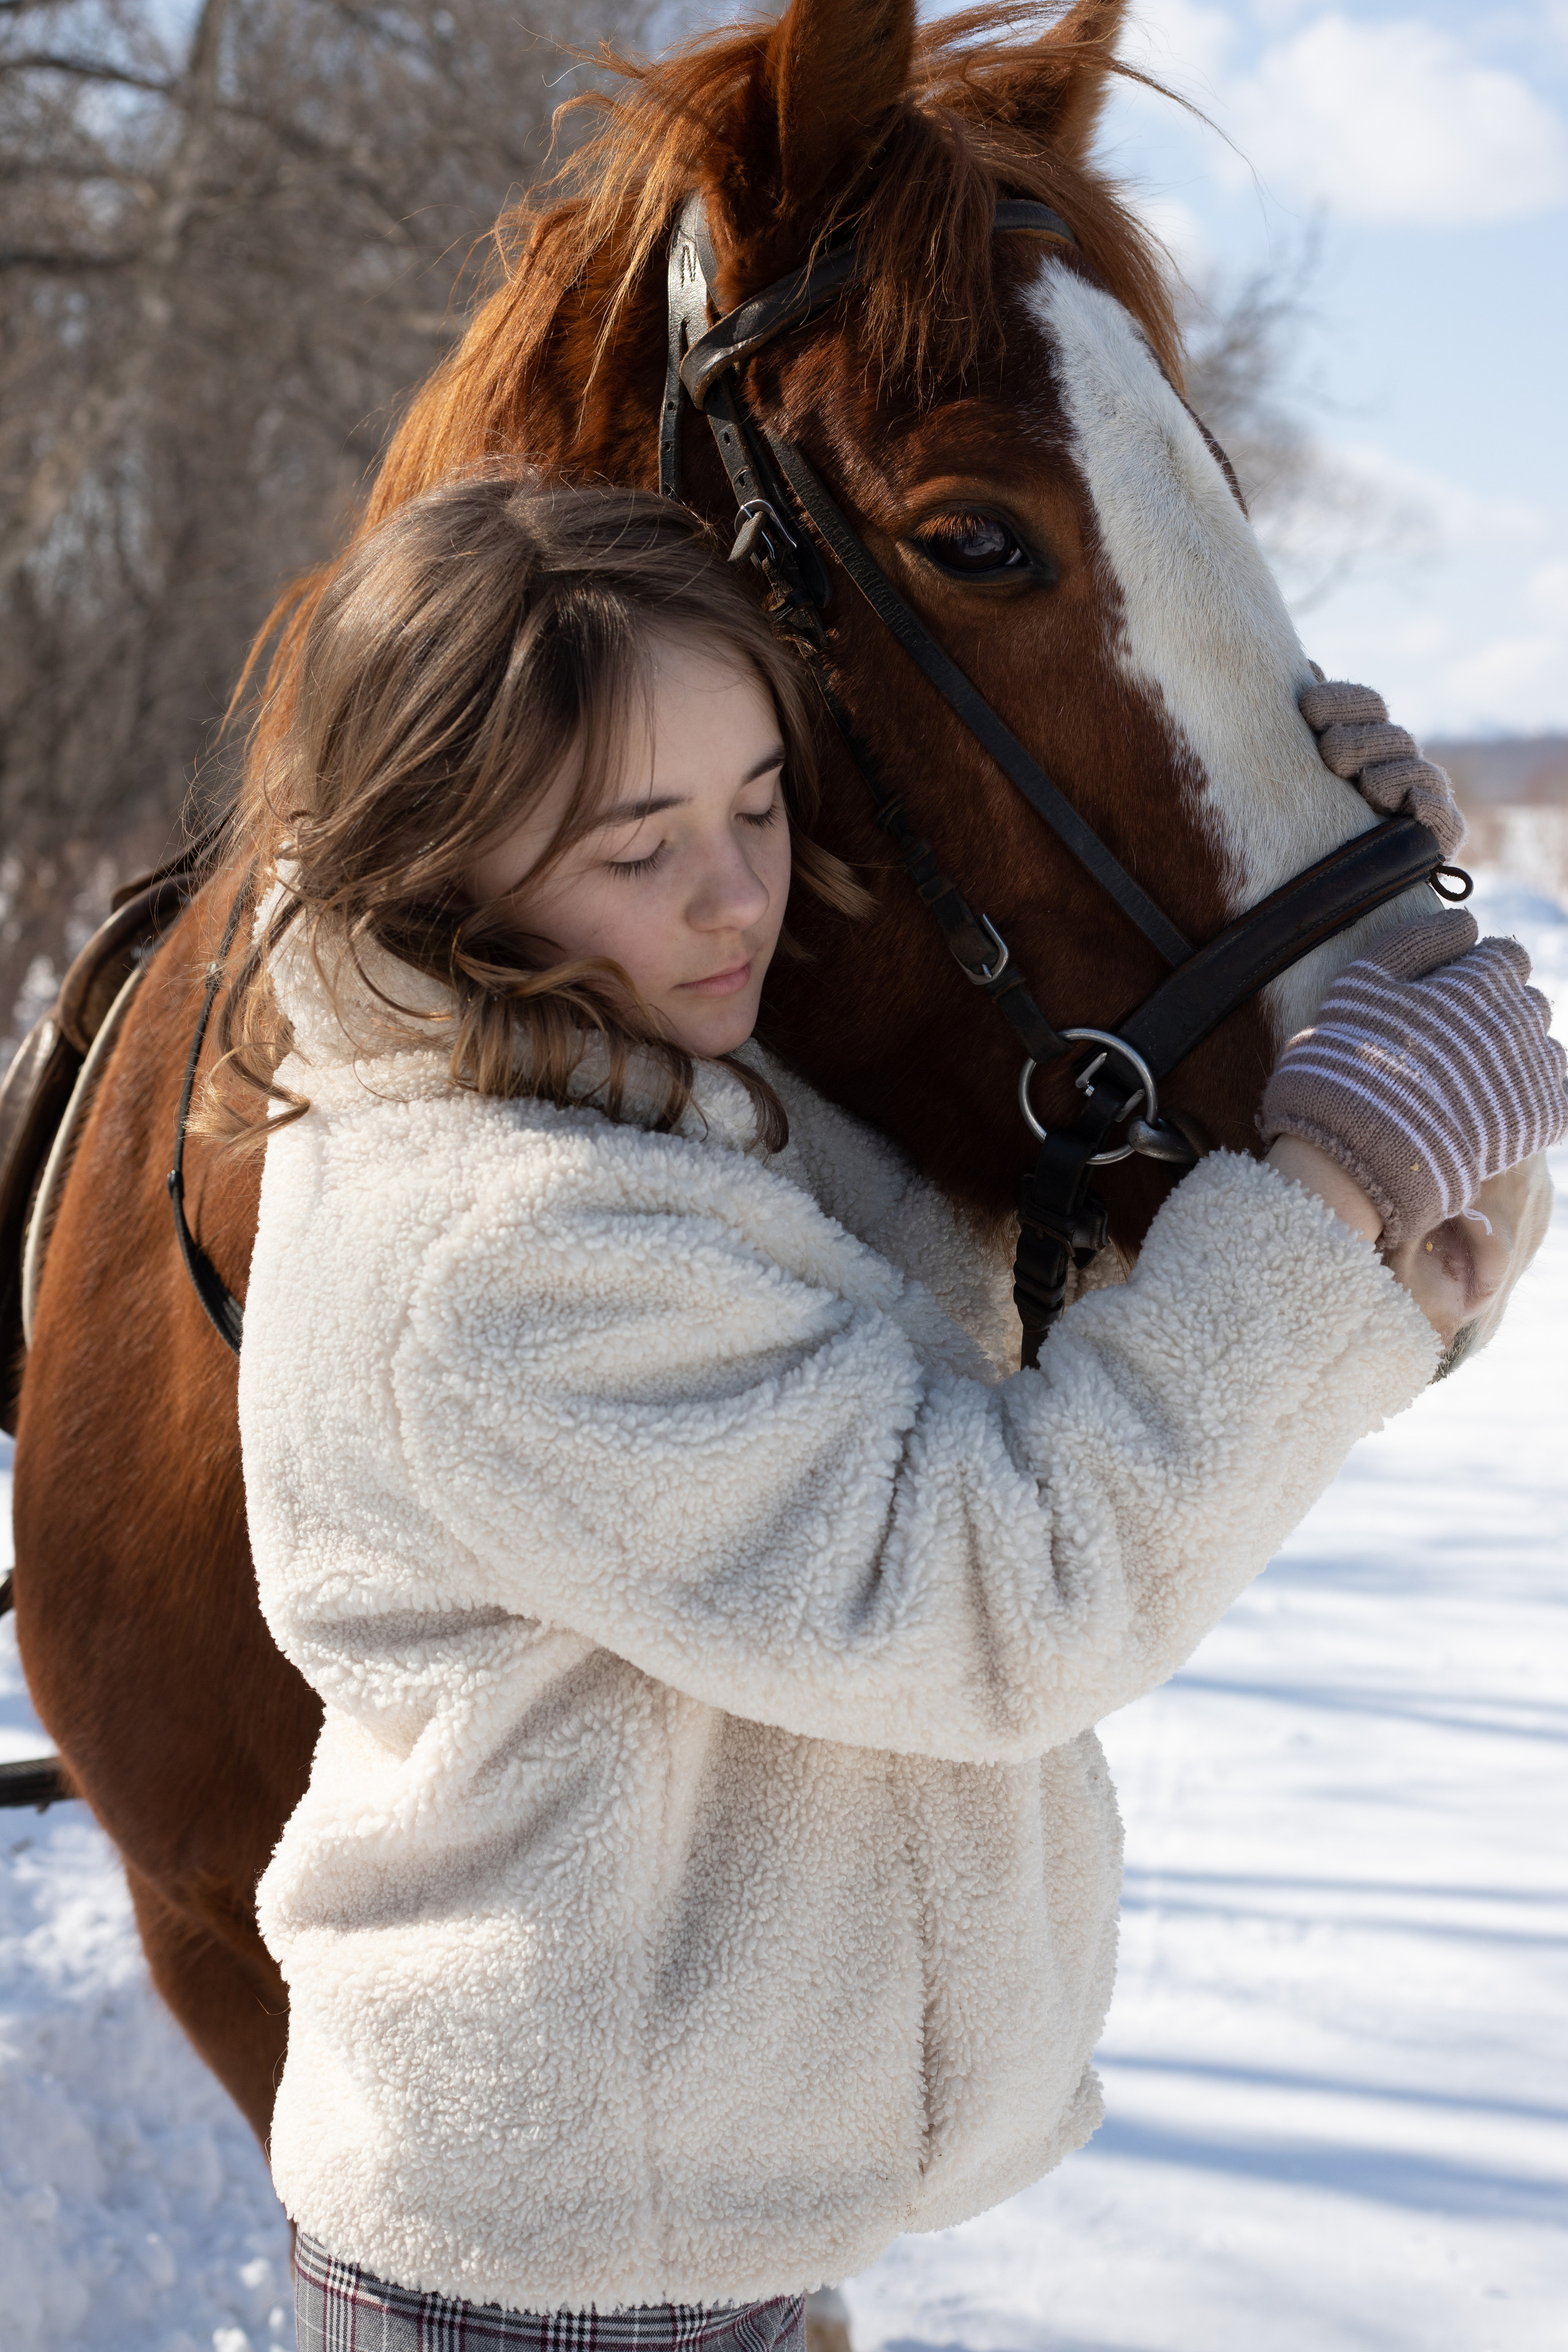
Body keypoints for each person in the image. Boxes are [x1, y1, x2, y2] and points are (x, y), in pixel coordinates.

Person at [213, 471, 1566, 2351]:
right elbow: (998, 1585)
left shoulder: (672, 1112)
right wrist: (1333, 1186)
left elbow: (1054, 1334)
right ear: (436, 865)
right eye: (636, 846)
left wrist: (1357, 942)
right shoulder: (497, 1252)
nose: (735, 892)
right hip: (553, 2284)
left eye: (760, 804)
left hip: (678, 2219)